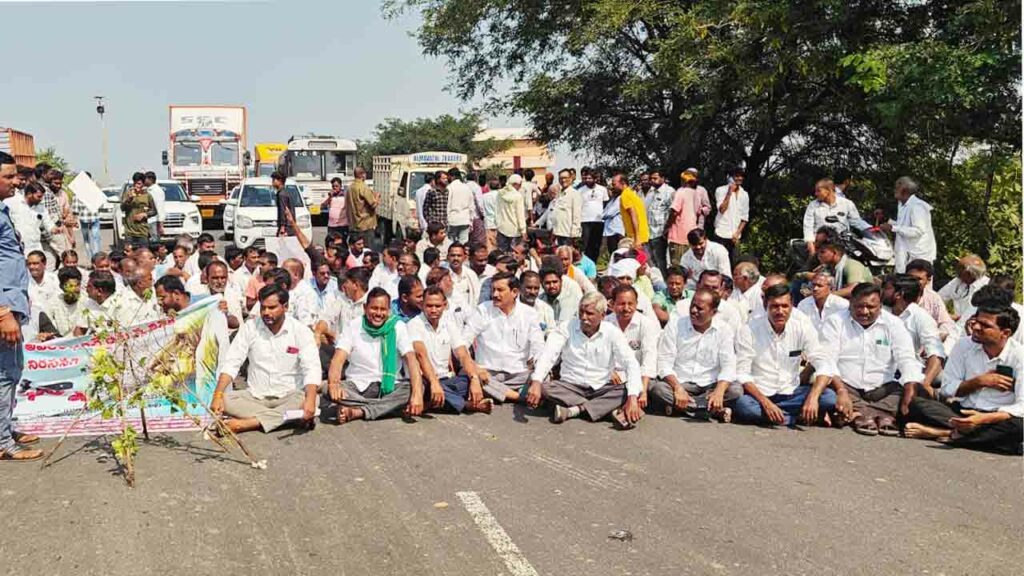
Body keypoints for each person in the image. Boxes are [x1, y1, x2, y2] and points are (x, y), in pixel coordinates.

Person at [904, 304, 1023, 455]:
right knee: (916, 403)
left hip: (996, 418)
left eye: (985, 325)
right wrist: (979, 382)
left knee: (1019, 427)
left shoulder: (1019, 356)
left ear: (1005, 333)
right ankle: (971, 436)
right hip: (961, 412)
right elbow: (947, 389)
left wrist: (982, 419)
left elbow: (1022, 407)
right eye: (975, 321)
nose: (976, 327)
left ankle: (942, 433)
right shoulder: (964, 345)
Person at [209, 283, 320, 433]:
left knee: (309, 399)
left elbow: (311, 368)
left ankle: (249, 423)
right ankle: (285, 419)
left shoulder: (301, 331)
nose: (266, 312)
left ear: (285, 307)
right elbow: (232, 362)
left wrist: (310, 400)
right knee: (226, 401)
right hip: (255, 397)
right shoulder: (250, 327)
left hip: (289, 395)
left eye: (272, 308)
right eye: (263, 308)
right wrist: (218, 394)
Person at [733, 284, 843, 427]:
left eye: (785, 306)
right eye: (774, 306)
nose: (780, 311)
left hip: (793, 392)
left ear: (792, 306)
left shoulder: (801, 326)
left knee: (829, 398)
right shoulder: (749, 330)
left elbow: (822, 361)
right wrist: (766, 404)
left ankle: (781, 417)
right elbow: (743, 374)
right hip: (761, 394)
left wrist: (813, 398)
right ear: (766, 305)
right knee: (744, 406)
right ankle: (797, 418)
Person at [821, 283, 923, 436]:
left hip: (883, 389)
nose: (864, 311)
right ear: (850, 305)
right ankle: (884, 415)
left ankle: (858, 414)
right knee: (826, 394)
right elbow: (827, 360)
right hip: (846, 386)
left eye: (871, 307)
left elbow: (907, 359)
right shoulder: (835, 321)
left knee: (911, 391)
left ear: (880, 306)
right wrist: (841, 391)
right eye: (859, 306)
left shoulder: (894, 324)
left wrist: (909, 392)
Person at [530, 293, 643, 428]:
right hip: (570, 387)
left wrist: (632, 398)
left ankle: (576, 410)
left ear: (602, 315)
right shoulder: (566, 327)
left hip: (601, 387)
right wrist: (536, 381)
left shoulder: (612, 332)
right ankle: (605, 410)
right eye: (581, 312)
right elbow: (549, 354)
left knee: (627, 390)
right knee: (545, 387)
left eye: (589, 314)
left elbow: (631, 363)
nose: (583, 318)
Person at [325, 287, 424, 424]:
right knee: (327, 389)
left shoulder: (398, 326)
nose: (378, 313)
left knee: (416, 388)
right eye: (374, 308)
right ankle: (387, 407)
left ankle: (358, 411)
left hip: (390, 387)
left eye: (383, 309)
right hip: (358, 386)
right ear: (365, 308)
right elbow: (338, 359)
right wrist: (333, 384)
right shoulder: (354, 326)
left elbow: (411, 360)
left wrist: (417, 395)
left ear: (389, 310)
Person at [0, 152, 42, 461]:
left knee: (12, 372)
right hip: (3, 308)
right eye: (9, 176)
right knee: (4, 374)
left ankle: (6, 428)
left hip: (11, 304)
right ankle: (3, 442)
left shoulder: (3, 210)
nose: (18, 181)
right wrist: (3, 311)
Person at [651, 288, 740, 421]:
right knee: (657, 389)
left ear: (714, 312)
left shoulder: (724, 330)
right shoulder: (675, 325)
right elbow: (664, 362)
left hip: (710, 385)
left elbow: (728, 365)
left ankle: (682, 408)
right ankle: (710, 411)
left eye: (699, 308)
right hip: (681, 383)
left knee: (736, 390)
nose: (693, 310)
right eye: (692, 305)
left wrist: (719, 392)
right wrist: (677, 388)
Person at [463, 272, 544, 404]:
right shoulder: (483, 310)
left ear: (514, 292)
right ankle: (518, 397)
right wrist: (475, 368)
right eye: (493, 290)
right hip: (487, 374)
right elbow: (463, 343)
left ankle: (500, 394)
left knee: (543, 382)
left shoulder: (529, 314)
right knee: (466, 379)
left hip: (518, 375)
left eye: (500, 290)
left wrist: (536, 375)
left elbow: (538, 346)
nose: (495, 294)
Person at [409, 286, 491, 414]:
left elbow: (462, 354)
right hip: (427, 380)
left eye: (437, 306)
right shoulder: (414, 324)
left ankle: (433, 404)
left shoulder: (448, 324)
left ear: (445, 305)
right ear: (421, 305)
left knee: (475, 379)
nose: (433, 310)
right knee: (425, 388)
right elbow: (421, 355)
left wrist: (474, 378)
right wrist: (434, 382)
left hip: (446, 380)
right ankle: (466, 405)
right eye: (429, 306)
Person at [881, 274, 945, 396]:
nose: (882, 292)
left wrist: (924, 384)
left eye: (887, 288)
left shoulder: (920, 317)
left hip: (905, 373)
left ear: (899, 294)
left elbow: (936, 353)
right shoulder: (880, 311)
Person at [609, 285, 660, 410]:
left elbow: (649, 359)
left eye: (630, 304)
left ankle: (614, 408)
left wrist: (642, 390)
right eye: (621, 304)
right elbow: (597, 355)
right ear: (613, 304)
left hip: (639, 377)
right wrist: (608, 371)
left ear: (637, 304)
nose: (626, 308)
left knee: (656, 389)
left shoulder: (646, 324)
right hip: (611, 379)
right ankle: (621, 408)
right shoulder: (605, 323)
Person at [875, 177, 936, 273]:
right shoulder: (902, 205)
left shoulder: (917, 206)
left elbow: (918, 231)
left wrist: (892, 228)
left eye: (897, 188)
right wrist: (886, 220)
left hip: (918, 257)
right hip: (905, 256)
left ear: (904, 190)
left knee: (917, 285)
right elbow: (903, 226)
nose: (894, 191)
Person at [801, 178, 871, 257]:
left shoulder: (846, 204)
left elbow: (857, 222)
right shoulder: (813, 205)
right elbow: (808, 225)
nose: (816, 194)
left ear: (829, 190)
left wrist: (871, 229)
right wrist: (810, 243)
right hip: (821, 244)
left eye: (819, 191)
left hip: (842, 244)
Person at [905, 259, 957, 343]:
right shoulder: (896, 295)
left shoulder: (933, 298)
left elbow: (946, 323)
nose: (913, 282)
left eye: (919, 279)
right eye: (910, 278)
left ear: (928, 280)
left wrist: (933, 340)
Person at [937, 254, 989, 320]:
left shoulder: (984, 287)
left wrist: (950, 318)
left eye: (960, 270)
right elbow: (938, 298)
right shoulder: (958, 281)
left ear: (969, 274)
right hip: (954, 323)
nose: (957, 272)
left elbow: (970, 315)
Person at [713, 167, 749, 260]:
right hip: (721, 232)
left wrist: (737, 233)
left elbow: (745, 217)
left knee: (735, 263)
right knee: (720, 261)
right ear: (730, 177)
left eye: (741, 176)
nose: (739, 178)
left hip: (735, 235)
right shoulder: (720, 190)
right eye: (736, 176)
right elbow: (722, 210)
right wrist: (729, 193)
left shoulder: (744, 194)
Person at [644, 170, 675, 271]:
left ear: (663, 179)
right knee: (650, 259)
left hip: (660, 232)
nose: (652, 181)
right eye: (651, 179)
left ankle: (663, 282)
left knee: (661, 260)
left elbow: (673, 212)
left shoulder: (669, 192)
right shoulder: (651, 192)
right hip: (649, 231)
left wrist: (667, 228)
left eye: (655, 178)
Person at [72, 270, 117, 336]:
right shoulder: (89, 303)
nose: (86, 289)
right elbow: (80, 329)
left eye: (89, 286)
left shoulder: (120, 305)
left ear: (99, 291)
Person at [610, 173, 648, 247]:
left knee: (638, 258)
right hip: (641, 235)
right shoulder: (631, 193)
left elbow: (633, 215)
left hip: (635, 237)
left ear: (623, 183)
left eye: (614, 184)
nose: (613, 187)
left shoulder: (625, 196)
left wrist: (636, 238)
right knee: (642, 258)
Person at [578, 169, 608, 263]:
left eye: (590, 178)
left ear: (595, 179)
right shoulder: (580, 190)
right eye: (586, 178)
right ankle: (585, 264)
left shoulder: (602, 189)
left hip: (599, 220)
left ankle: (594, 264)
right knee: (586, 244)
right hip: (585, 220)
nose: (588, 180)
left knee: (596, 244)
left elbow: (605, 204)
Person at [121, 172, 157, 249]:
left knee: (143, 254)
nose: (137, 186)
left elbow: (154, 211)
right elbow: (122, 208)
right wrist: (129, 199)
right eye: (135, 183)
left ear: (143, 184)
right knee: (129, 254)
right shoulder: (128, 194)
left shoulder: (147, 195)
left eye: (139, 184)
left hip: (142, 231)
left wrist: (145, 214)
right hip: (129, 232)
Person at [547, 168, 582, 247]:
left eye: (565, 178)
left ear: (571, 178)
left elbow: (577, 215)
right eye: (561, 178)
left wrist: (574, 234)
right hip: (559, 232)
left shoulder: (574, 194)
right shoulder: (560, 194)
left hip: (569, 234)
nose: (563, 180)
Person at [346, 167, 378, 250]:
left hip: (353, 225)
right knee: (367, 250)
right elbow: (373, 204)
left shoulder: (350, 188)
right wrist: (377, 197)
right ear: (362, 175)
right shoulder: (363, 187)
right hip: (365, 225)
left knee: (355, 250)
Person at [48, 266, 84, 337]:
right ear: (61, 286)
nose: (76, 289)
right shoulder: (53, 302)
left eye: (78, 285)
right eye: (71, 286)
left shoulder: (86, 302)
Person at [494, 174, 528, 250]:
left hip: (501, 228)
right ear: (515, 184)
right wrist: (523, 230)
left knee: (502, 254)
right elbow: (520, 215)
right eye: (520, 185)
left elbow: (496, 210)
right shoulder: (518, 196)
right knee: (514, 254)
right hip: (514, 231)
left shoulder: (500, 194)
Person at [445, 168, 474, 244]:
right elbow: (471, 206)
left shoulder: (449, 188)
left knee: (451, 242)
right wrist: (471, 220)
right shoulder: (467, 188)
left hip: (453, 219)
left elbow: (447, 205)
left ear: (452, 177)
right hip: (465, 219)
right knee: (464, 242)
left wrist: (447, 220)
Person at [270, 171, 295, 237]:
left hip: (286, 227)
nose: (272, 182)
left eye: (273, 180)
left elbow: (283, 210)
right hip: (290, 226)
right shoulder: (286, 192)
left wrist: (282, 227)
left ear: (280, 180)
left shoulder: (282, 194)